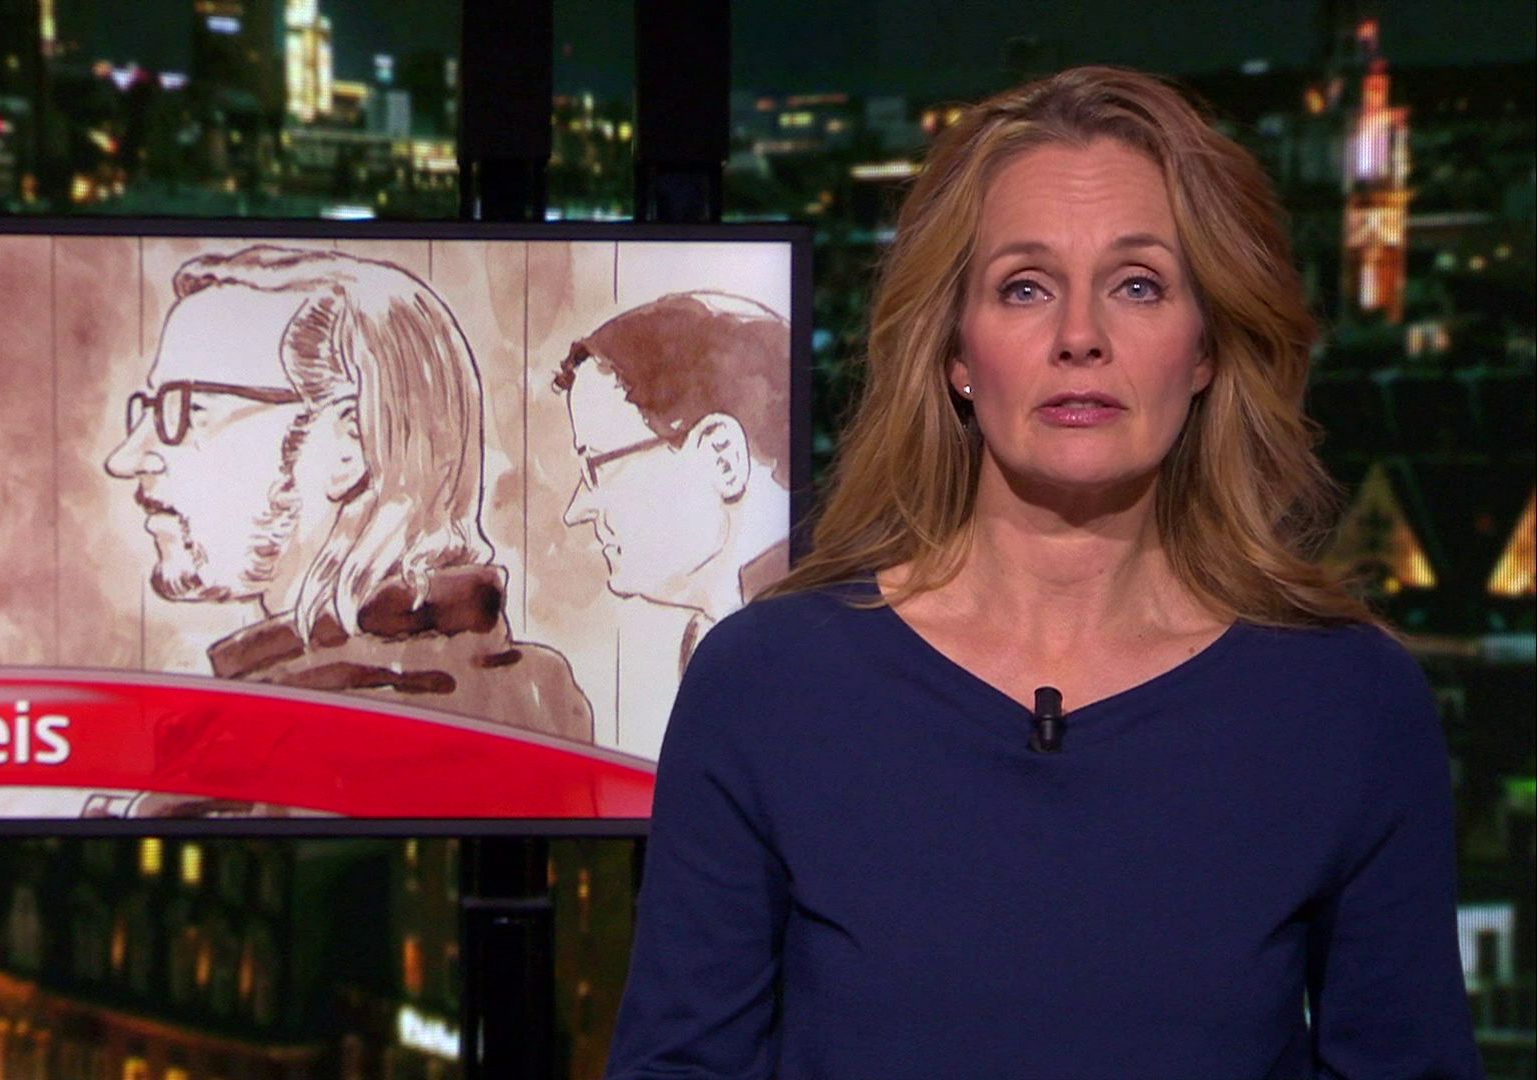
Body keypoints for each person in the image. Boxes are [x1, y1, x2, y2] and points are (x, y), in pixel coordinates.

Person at [605, 66, 1484, 1079]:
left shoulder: (1347, 703)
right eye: (1025, 287)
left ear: (1205, 348)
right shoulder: (767, 686)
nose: (1080, 338)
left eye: (1138, 285)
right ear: (956, 352)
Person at [104, 244, 593, 752]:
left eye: (187, 410)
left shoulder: (262, 746)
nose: (127, 457)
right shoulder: (538, 698)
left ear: (350, 442)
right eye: (147, 408)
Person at [554, 292, 793, 676]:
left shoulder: (801, 641)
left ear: (722, 457)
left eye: (596, 466)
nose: (576, 510)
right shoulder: (715, 639)